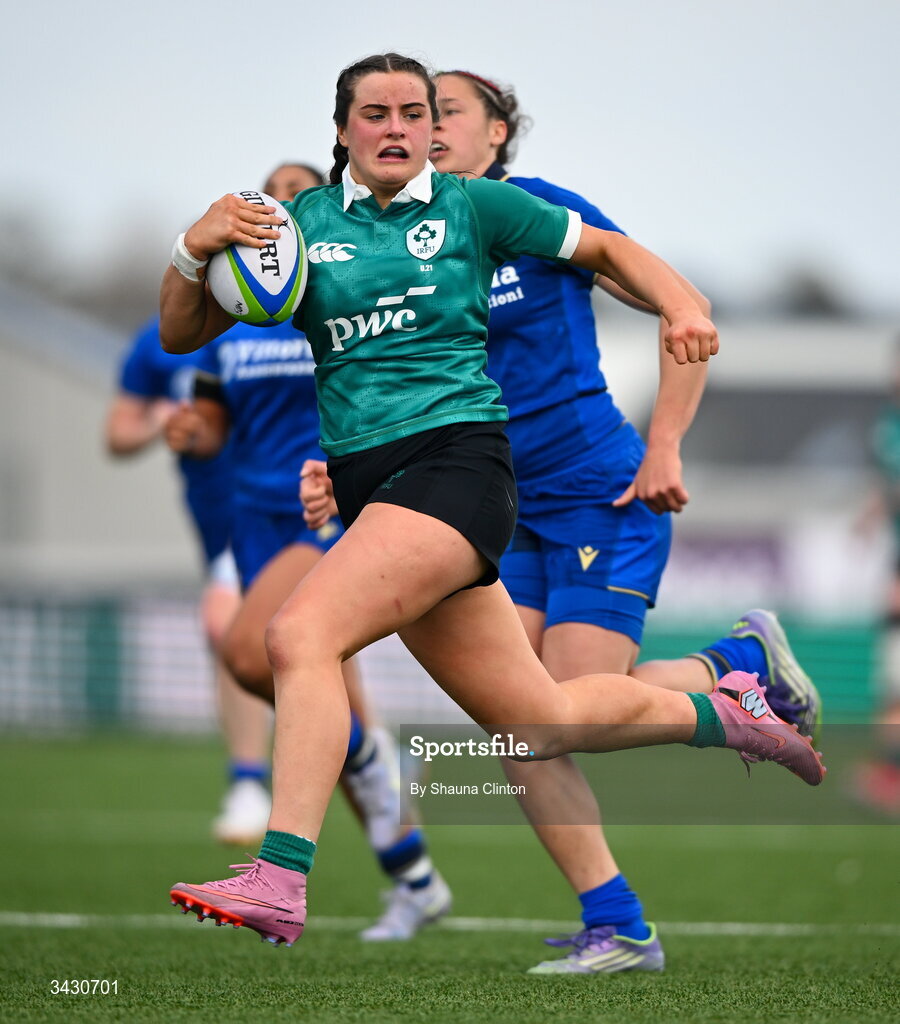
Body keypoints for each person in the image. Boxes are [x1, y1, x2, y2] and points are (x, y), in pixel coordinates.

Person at [159, 52, 824, 952]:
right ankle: (723, 708)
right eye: (376, 113)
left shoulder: (477, 206)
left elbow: (608, 250)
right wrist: (191, 249)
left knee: (296, 635)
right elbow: (180, 329)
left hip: (463, 475)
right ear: (343, 130)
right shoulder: (302, 228)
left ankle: (280, 876)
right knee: (535, 721)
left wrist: (681, 306)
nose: (400, 127)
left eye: (415, 110)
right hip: (379, 488)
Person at [412, 69, 821, 972]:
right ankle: (622, 919)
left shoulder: (544, 214)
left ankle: (736, 676)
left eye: (448, 114)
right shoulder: (411, 244)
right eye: (414, 114)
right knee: (518, 724)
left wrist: (666, 443)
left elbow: (688, 313)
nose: (428, 128)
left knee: (554, 720)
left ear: (497, 135)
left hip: (603, 491)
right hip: (499, 509)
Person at [164, 161, 452, 939]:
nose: (281, 208)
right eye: (270, 195)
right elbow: (215, 417)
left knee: (252, 654)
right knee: (321, 712)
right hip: (250, 519)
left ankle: (364, 758)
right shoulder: (233, 312)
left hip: (319, 509)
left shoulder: (338, 286)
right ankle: (416, 879)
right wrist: (194, 436)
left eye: (298, 193)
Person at [105, 321, 271, 846]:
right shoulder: (157, 342)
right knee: (287, 637)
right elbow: (117, 433)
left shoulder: (293, 320)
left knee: (230, 625)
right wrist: (160, 424)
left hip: (283, 505)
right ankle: (371, 753)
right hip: (216, 513)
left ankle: (249, 782)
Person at [854, 341, 900, 815]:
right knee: (892, 682)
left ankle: (889, 774)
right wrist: (871, 513)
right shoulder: (889, 423)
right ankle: (889, 773)